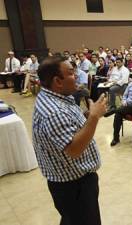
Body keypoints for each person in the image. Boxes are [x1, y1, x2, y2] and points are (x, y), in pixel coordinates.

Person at [32, 56, 107, 225]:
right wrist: (94, 117)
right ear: (58, 81)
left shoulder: (56, 97)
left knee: (72, 220)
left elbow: (70, 128)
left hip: (71, 181)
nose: (77, 76)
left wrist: (87, 117)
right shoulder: (54, 112)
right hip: (74, 185)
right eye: (72, 73)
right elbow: (74, 149)